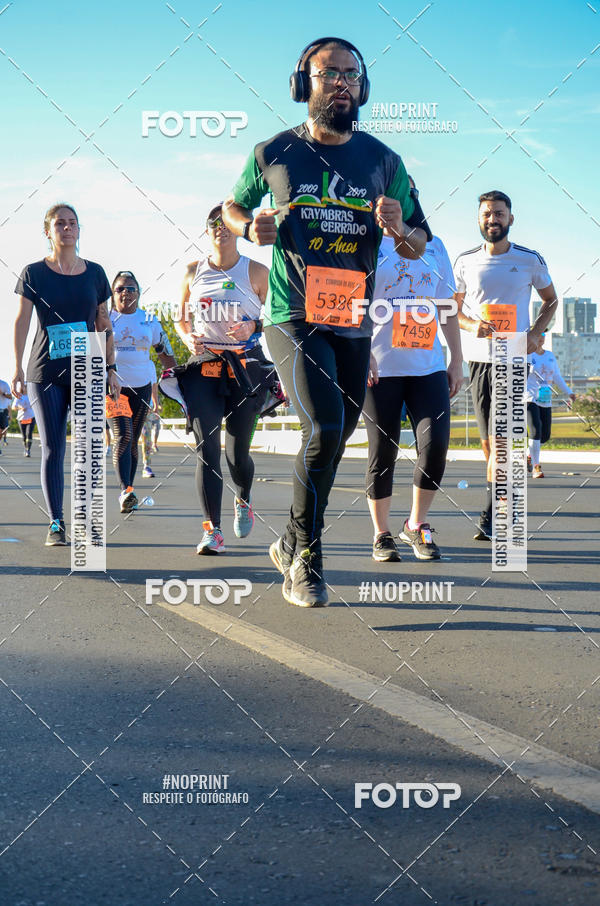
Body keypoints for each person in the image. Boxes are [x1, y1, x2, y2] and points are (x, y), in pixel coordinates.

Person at [223, 36, 429, 606]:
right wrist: (248, 228)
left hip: (353, 322)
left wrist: (399, 229)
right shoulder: (274, 152)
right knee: (325, 428)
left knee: (332, 442)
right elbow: (230, 207)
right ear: (303, 84)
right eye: (328, 73)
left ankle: (291, 539)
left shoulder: (385, 162)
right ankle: (307, 561)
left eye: (350, 74)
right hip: (292, 314)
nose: (341, 83)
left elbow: (420, 242)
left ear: (362, 87)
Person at [365, 177, 463, 562]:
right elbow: (352, 305)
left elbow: (447, 308)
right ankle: (381, 533)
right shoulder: (365, 247)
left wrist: (456, 359)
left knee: (436, 444)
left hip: (428, 366)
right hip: (380, 367)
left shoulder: (435, 247)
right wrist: (362, 355)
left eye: (402, 196)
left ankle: (416, 525)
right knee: (382, 451)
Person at [11, 203, 120, 546]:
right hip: (44, 369)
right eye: (60, 223)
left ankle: (87, 523)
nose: (67, 228)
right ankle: (57, 522)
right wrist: (16, 367)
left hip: (87, 366)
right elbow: (22, 321)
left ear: (79, 229)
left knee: (88, 447)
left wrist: (111, 368)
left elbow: (104, 323)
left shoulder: (96, 273)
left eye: (72, 223)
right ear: (48, 231)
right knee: (53, 448)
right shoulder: (33, 273)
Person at [454, 190, 558, 541]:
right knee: (488, 444)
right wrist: (473, 327)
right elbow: (452, 310)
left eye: (499, 213)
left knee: (503, 441)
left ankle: (494, 514)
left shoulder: (530, 259)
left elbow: (551, 300)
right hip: (479, 360)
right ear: (479, 219)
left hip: (513, 358)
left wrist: (534, 333)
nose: (492, 219)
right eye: (486, 214)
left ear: (510, 218)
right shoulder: (465, 260)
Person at [174, 203, 270, 554]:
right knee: (207, 448)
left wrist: (253, 325)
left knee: (237, 453)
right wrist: (187, 338)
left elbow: (278, 319)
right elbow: (181, 320)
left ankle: (242, 497)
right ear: (207, 231)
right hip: (205, 365)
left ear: (238, 228)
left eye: (226, 222)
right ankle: (212, 530)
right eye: (213, 223)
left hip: (245, 367)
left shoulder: (258, 272)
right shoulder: (192, 273)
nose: (221, 227)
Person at [109, 272, 175, 512]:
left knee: (133, 439)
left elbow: (163, 350)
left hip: (143, 385)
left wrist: (178, 377)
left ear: (138, 292)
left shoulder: (149, 319)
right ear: (112, 293)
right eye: (120, 289)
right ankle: (126, 491)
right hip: (113, 386)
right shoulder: (105, 318)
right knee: (123, 435)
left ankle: (129, 492)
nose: (126, 293)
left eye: (131, 288)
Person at [527, 334, 575, 478]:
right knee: (535, 430)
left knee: (545, 435)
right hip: (529, 397)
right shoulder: (526, 354)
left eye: (543, 335)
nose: (540, 338)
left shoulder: (550, 355)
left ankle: (528, 456)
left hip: (545, 398)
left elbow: (557, 376)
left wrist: (569, 392)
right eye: (538, 335)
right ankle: (536, 467)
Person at [141, 384, 161, 478]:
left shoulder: (150, 368)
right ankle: (123, 469)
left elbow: (154, 386)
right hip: (127, 406)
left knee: (146, 437)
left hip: (146, 409)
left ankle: (146, 466)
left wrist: (155, 405)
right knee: (127, 438)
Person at [13, 392, 36, 457]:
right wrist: (20, 408)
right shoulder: (19, 396)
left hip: (31, 417)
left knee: (29, 433)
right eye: (24, 386)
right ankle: (25, 448)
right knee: (24, 436)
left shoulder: (32, 395)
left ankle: (28, 450)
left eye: (26, 386)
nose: (25, 387)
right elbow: (14, 407)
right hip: (21, 418)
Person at [0, 378, 11, 450]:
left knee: (2, 430)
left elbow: (10, 397)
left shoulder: (4, 384)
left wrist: (2, 393)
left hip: (2, 410)